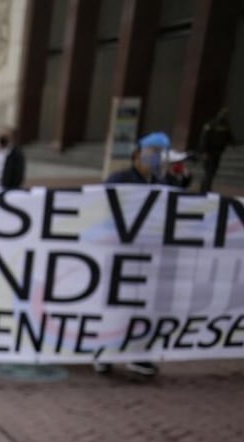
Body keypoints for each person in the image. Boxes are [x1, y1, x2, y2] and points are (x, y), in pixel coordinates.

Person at [97, 132, 168, 379]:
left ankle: (137, 355)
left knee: (143, 307)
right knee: (115, 304)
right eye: (152, 153)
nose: (156, 159)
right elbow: (104, 207)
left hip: (148, 256)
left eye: (160, 154)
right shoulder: (121, 179)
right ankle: (104, 352)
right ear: (137, 154)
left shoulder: (162, 183)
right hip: (121, 252)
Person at [196, 108, 234, 194]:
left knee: (212, 171)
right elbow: (204, 138)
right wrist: (203, 151)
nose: (224, 116)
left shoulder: (225, 125)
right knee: (208, 170)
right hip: (209, 151)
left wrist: (233, 144)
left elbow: (229, 136)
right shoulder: (211, 124)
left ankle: (206, 187)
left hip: (218, 152)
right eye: (223, 114)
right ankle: (205, 188)